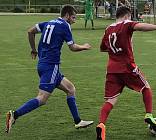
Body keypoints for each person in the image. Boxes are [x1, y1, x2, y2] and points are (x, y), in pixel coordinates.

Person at [5, 5, 94, 133]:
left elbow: (30, 31)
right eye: (73, 17)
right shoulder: (65, 25)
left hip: (44, 65)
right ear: (67, 15)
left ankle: (78, 121)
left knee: (70, 89)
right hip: (51, 66)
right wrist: (85, 46)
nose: (74, 20)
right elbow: (72, 47)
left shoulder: (48, 23)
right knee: (42, 98)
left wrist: (34, 49)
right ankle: (14, 115)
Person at [96, 6, 156, 140]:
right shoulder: (126, 24)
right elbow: (141, 26)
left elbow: (102, 48)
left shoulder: (108, 29)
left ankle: (101, 124)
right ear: (126, 16)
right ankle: (148, 115)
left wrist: (116, 49)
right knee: (145, 87)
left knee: (111, 100)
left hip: (112, 70)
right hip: (127, 67)